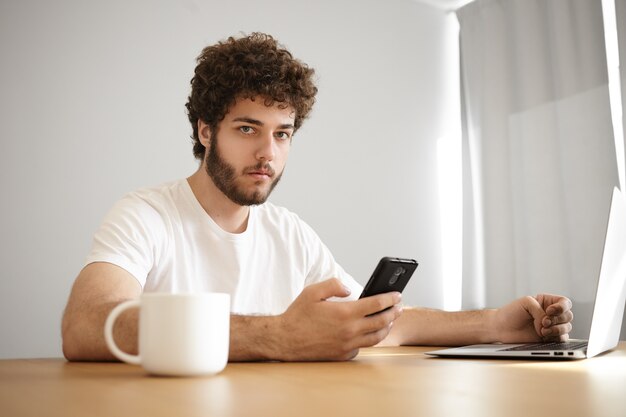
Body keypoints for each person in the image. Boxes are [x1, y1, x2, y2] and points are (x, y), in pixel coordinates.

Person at [61, 32, 573, 362]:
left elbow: (374, 323)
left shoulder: (289, 233)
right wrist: (276, 336)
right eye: (247, 128)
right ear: (204, 130)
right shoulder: (146, 215)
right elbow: (87, 326)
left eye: (283, 133)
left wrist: (496, 325)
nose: (268, 152)